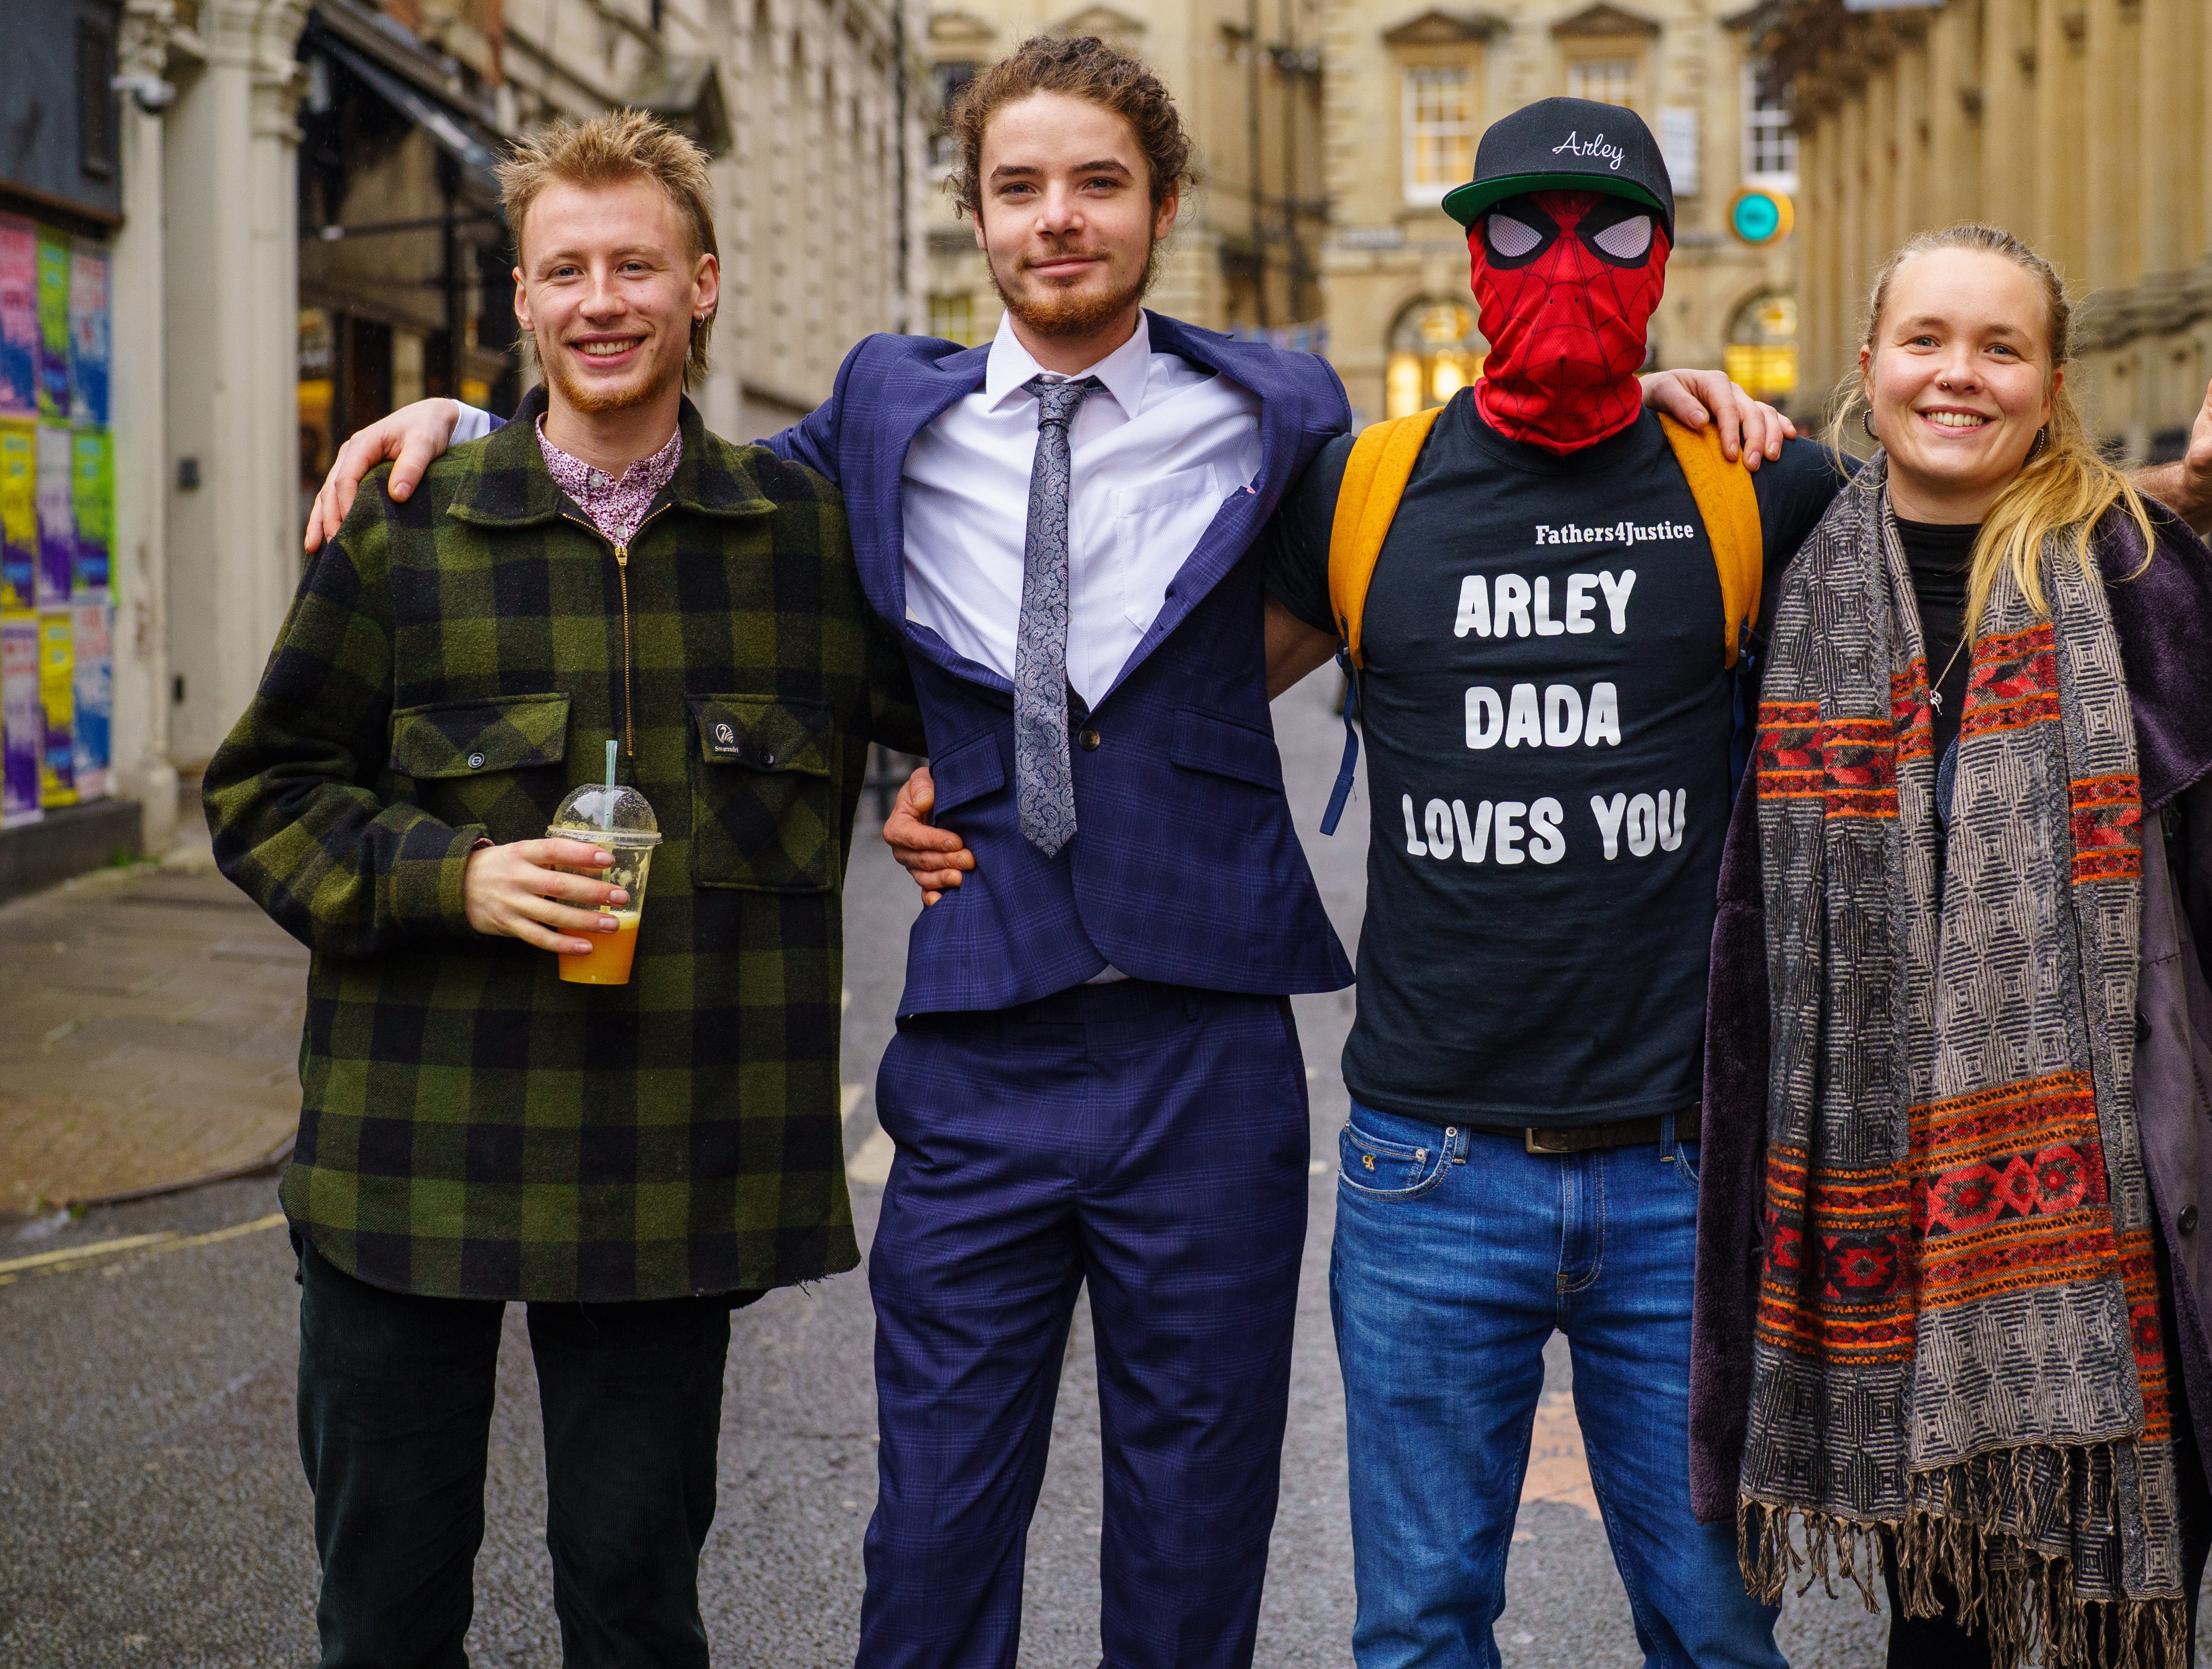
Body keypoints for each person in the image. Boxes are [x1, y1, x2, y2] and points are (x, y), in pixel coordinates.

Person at [299, 42, 1789, 1668]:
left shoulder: (1286, 411)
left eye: (1097, 184)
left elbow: (1484, 467)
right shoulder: (879, 408)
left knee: (1194, 1538)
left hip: (1207, 1049)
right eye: (1020, 187)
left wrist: (1647, 400)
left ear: (1160, 208)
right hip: (979, 1044)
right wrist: (481, 419)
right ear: (979, 214)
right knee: (933, 1543)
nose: (1057, 219)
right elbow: (666, 486)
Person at [896, 110, 2212, 1669]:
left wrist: (2186, 494)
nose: (1564, 269)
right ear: (1467, 254)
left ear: (1667, 261)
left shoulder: (1747, 488)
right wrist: (958, 770)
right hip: (1429, 1171)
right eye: (1523, 231)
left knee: (1714, 1632)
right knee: (1422, 1628)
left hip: (1678, 1174)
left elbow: (1971, 535)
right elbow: (1168, 706)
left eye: (1612, 233)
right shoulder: (1364, 490)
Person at [204, 112, 920, 1668]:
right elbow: (261, 793)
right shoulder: (408, 531)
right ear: (520, 303)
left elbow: (973, 728)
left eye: (637, 267)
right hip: (413, 1167)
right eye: (567, 271)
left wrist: (940, 783)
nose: (603, 301)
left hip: (669, 1181)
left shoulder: (808, 544)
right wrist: (449, 875)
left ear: (703, 284)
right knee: (385, 1619)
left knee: (637, 1612)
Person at [1724, 223, 2212, 1669]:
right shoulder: (1793, 588)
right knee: (1941, 1646)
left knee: (2126, 1644)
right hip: (1892, 1261)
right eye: (1926, 340)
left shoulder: (2145, 587)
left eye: (2001, 346)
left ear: (2053, 383)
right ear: (1868, 366)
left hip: (2144, 1251)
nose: (1958, 375)